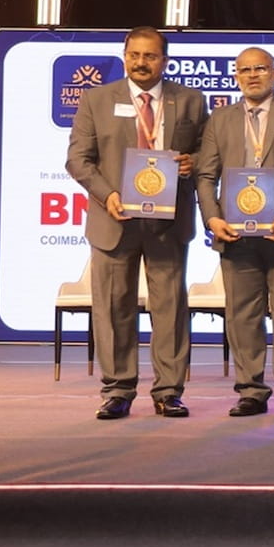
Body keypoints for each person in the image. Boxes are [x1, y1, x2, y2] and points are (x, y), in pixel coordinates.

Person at [65, 26, 208, 419]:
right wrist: (107, 195)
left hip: (168, 221)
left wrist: (194, 162)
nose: (141, 63)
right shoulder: (96, 99)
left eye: (150, 56)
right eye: (134, 55)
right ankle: (117, 390)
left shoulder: (191, 100)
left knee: (170, 309)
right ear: (125, 56)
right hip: (114, 218)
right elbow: (78, 159)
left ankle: (169, 391)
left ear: (165, 60)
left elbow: (207, 151)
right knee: (113, 309)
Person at [193, 47, 274, 418]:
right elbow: (205, 175)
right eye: (245, 70)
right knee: (242, 317)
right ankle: (251, 390)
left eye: (261, 69)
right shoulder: (219, 118)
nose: (253, 75)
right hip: (234, 235)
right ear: (236, 76)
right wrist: (212, 218)